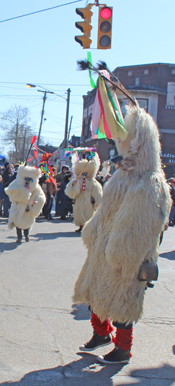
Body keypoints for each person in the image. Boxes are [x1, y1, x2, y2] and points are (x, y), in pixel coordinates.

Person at [73, 105, 171, 364]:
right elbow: (105, 211)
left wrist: (121, 254)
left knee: (123, 302)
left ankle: (123, 349)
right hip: (103, 249)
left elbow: (139, 227)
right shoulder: (121, 176)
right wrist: (93, 233)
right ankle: (101, 335)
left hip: (127, 257)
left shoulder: (150, 181)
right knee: (94, 293)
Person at [6, 165, 46, 243]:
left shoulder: (37, 187)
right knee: (17, 223)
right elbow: (9, 191)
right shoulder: (17, 183)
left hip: (28, 208)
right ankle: (19, 237)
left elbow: (41, 197)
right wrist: (21, 192)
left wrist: (36, 203)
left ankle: (26, 235)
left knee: (27, 223)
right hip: (18, 206)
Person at [65, 154, 103, 232]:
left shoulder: (92, 182)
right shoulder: (77, 181)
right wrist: (73, 185)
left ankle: (88, 227)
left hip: (89, 200)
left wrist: (97, 201)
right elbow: (71, 192)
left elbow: (97, 191)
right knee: (79, 213)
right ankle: (81, 226)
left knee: (88, 213)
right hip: (79, 199)